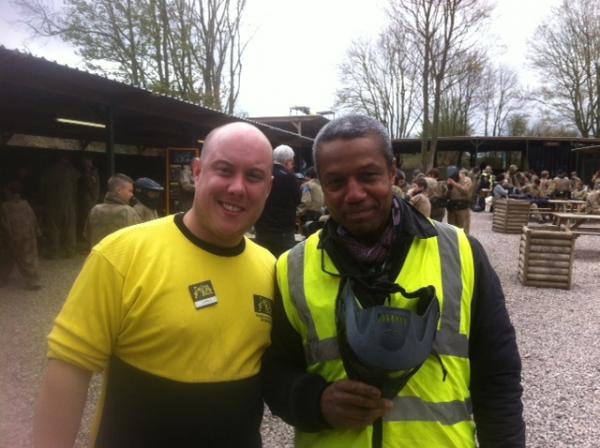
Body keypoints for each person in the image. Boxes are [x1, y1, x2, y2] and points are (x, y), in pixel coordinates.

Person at [262, 114, 524, 448]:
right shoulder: (292, 268)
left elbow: (498, 376)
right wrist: (315, 402)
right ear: (322, 186)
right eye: (336, 182)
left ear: (391, 172)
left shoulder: (460, 253)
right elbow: (274, 372)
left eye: (368, 175)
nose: (354, 194)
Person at [33, 122, 276, 447]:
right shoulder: (121, 254)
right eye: (224, 169)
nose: (237, 187)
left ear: (269, 187)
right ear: (198, 171)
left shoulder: (272, 269)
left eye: (254, 176)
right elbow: (70, 367)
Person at [254, 144, 301, 257]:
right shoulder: (290, 178)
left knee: (263, 262)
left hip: (262, 229)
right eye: (292, 162)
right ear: (287, 161)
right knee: (283, 266)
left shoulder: (262, 174)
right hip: (283, 232)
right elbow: (297, 200)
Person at [0, 181, 42, 290]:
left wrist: (6, 237)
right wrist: (37, 231)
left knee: (8, 258)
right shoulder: (25, 204)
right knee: (28, 258)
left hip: (13, 237)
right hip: (28, 235)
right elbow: (33, 218)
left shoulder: (5, 207)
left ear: (9, 192)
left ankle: (3, 278)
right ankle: (34, 281)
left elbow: (4, 224)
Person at [84, 173, 141, 248]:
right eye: (130, 191)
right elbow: (138, 239)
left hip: (98, 257)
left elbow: (87, 235)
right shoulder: (128, 211)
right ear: (119, 190)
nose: (132, 194)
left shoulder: (95, 209)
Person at [40, 155, 80, 258]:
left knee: (54, 228)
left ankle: (54, 252)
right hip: (69, 204)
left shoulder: (48, 171)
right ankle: (70, 252)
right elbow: (78, 180)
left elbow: (42, 188)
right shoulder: (70, 170)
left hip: (52, 204)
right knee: (70, 228)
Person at [446, 167, 473, 234]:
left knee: (463, 230)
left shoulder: (466, 180)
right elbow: (447, 196)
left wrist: (454, 184)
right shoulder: (450, 180)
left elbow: (466, 191)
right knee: (451, 229)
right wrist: (449, 188)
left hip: (462, 208)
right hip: (452, 208)